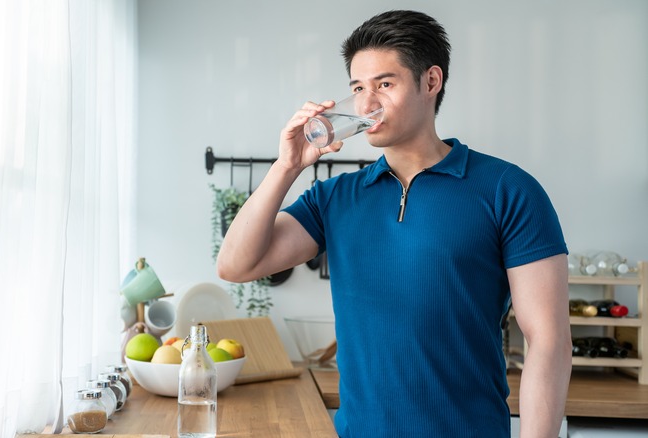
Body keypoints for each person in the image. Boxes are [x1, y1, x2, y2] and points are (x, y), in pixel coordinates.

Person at [217, 9, 571, 438]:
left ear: (431, 82)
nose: (367, 104)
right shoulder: (335, 198)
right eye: (358, 88)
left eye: (385, 84)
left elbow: (549, 342)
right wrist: (286, 166)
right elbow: (235, 266)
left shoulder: (507, 190)